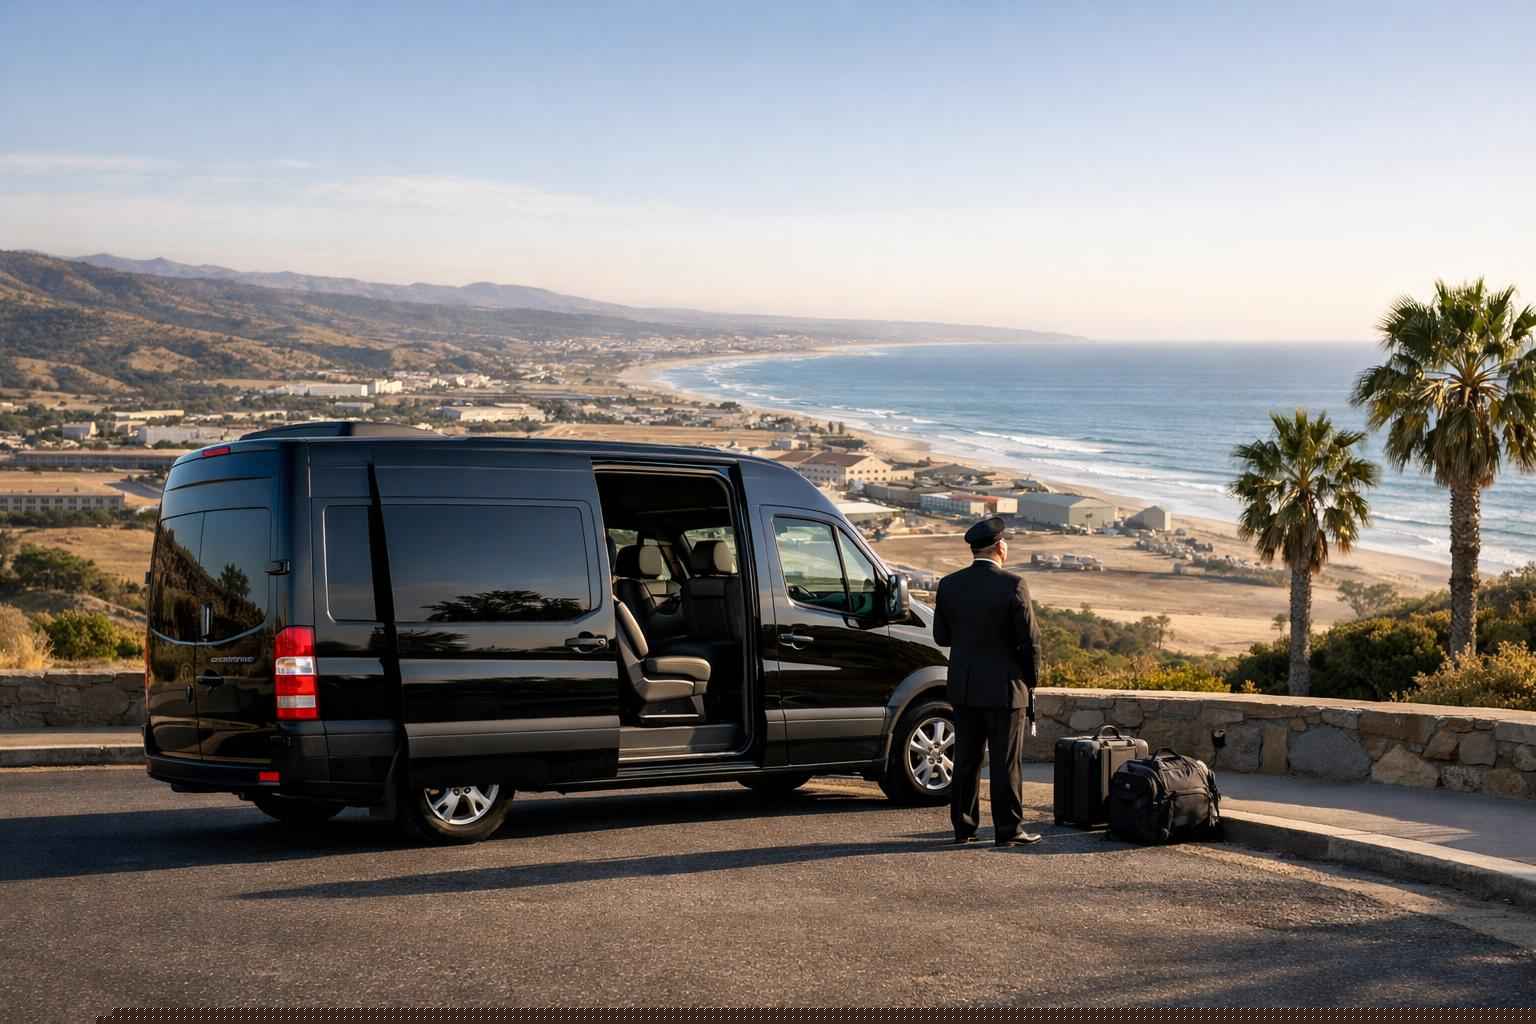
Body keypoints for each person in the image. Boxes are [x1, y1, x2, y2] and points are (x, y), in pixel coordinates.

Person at [932, 515, 1043, 847]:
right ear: (1001, 547)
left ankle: (963, 829)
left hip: (965, 688)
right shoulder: (1014, 585)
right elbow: (1030, 641)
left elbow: (941, 636)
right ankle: (1008, 830)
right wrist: (1031, 680)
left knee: (966, 761)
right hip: (1006, 689)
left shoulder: (950, 584)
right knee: (1005, 763)